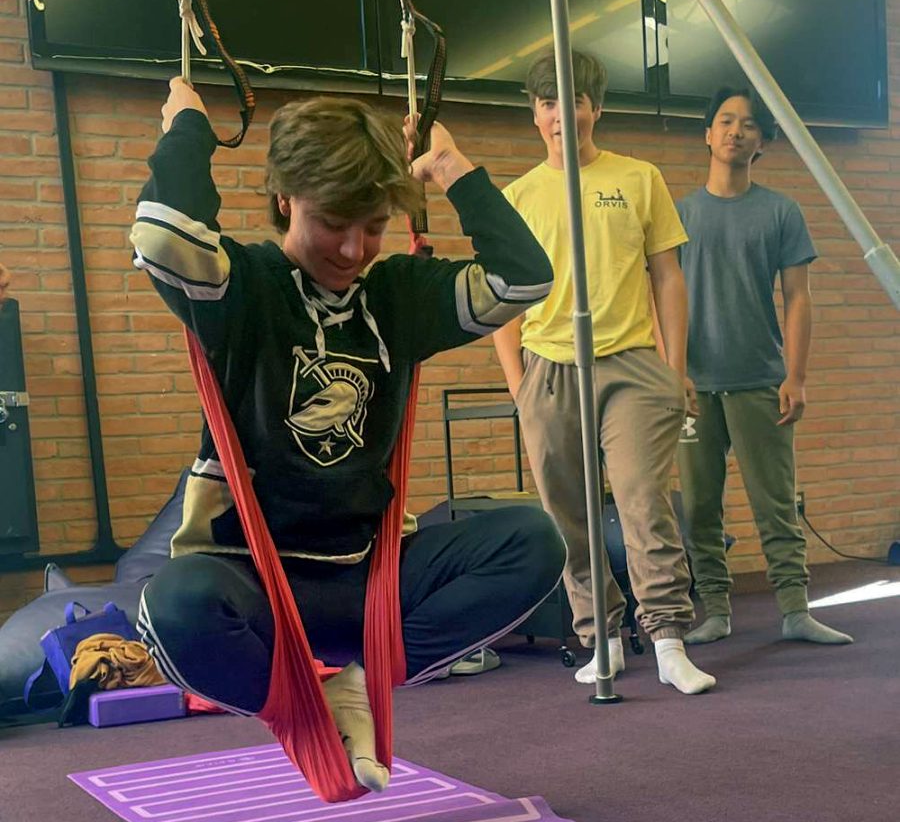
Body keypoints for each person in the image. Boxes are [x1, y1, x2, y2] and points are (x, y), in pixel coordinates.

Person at [133, 78, 567, 792]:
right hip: (252, 579)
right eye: (333, 220)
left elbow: (523, 279)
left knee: (532, 541)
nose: (352, 246)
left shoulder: (399, 295)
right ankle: (303, 707)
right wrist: (187, 129)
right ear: (284, 199)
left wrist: (454, 171)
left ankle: (358, 687)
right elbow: (160, 238)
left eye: (373, 225)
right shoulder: (239, 286)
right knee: (174, 607)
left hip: (366, 578)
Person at [494, 51, 715, 694]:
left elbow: (668, 277)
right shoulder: (517, 198)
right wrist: (519, 383)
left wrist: (673, 369)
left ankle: (669, 636)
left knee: (643, 498)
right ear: (536, 114)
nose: (562, 113)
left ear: (597, 108)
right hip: (550, 369)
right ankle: (602, 638)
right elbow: (503, 300)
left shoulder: (639, 178)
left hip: (631, 365)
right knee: (570, 517)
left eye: (575, 99)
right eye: (548, 102)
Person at [676, 86, 853, 647]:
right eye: (724, 120)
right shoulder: (678, 215)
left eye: (748, 124)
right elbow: (660, 298)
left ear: (762, 142)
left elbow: (799, 298)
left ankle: (796, 610)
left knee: (775, 501)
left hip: (760, 380)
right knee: (700, 506)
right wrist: (670, 370)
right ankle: (716, 611)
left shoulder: (781, 211)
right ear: (707, 134)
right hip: (692, 388)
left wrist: (795, 375)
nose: (735, 131)